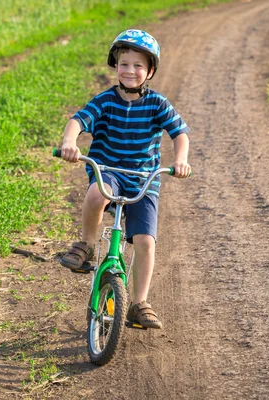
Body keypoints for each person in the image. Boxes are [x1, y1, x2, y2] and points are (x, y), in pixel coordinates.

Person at [58, 29, 191, 329]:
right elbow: (77, 121)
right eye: (124, 64)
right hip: (109, 170)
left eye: (138, 65)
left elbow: (179, 134)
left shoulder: (157, 104)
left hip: (144, 178)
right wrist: (70, 142)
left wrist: (180, 160)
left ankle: (139, 302)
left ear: (151, 70)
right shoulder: (105, 101)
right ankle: (87, 245)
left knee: (145, 240)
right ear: (115, 66)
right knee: (97, 195)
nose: (130, 71)